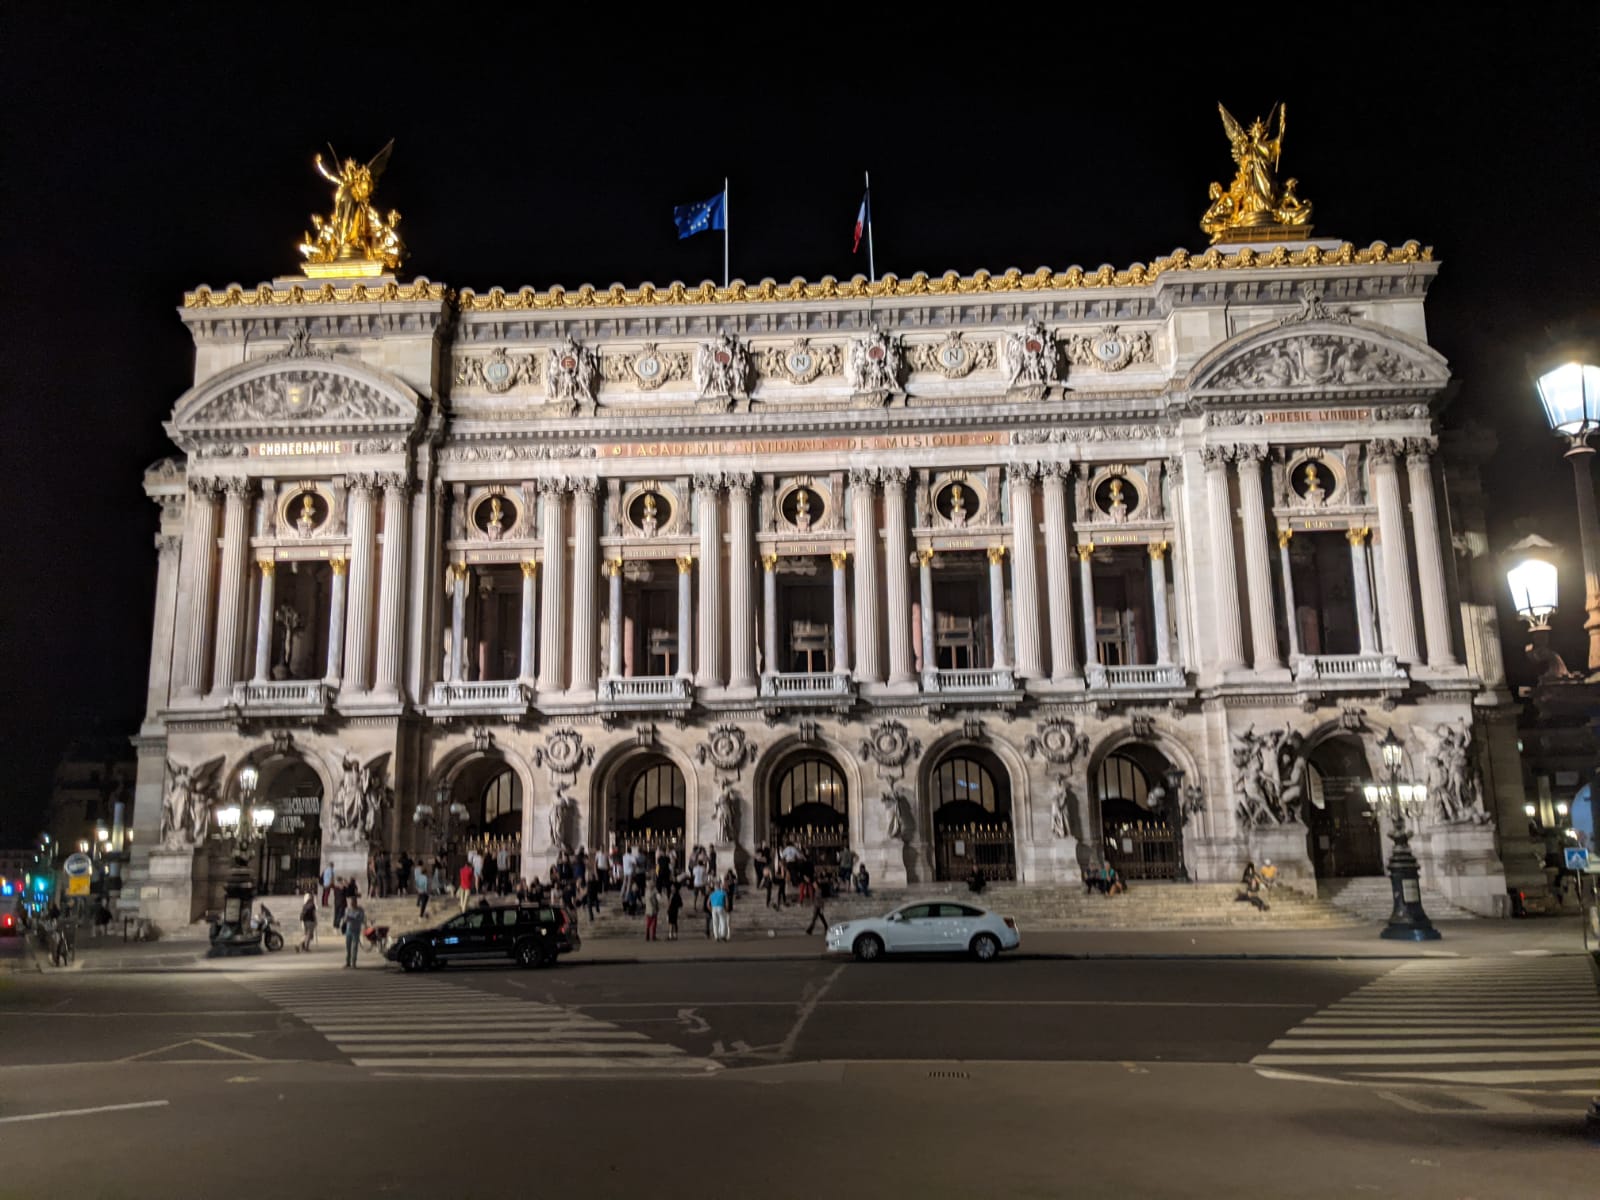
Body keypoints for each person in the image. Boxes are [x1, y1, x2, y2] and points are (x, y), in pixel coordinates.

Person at [341, 894, 367, 968]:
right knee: (348, 947)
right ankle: (348, 962)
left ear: (356, 902)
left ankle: (354, 962)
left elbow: (362, 919)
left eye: (353, 902)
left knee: (355, 947)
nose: (352, 904)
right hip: (348, 930)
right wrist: (346, 919)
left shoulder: (360, 910)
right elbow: (345, 919)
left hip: (356, 930)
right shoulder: (347, 909)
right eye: (351, 902)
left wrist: (355, 919)